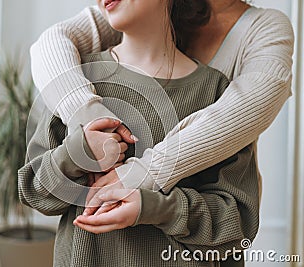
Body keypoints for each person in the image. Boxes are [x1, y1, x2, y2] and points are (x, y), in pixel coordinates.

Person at [18, 0, 265, 266]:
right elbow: (34, 191)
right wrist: (76, 154)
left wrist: (154, 208)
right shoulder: (77, 81)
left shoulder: (214, 91)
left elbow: (237, 223)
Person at [30, 0, 294, 208]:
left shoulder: (266, 27)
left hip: (205, 212)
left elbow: (247, 109)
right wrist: (90, 117)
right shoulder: (142, 9)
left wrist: (146, 172)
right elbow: (49, 45)